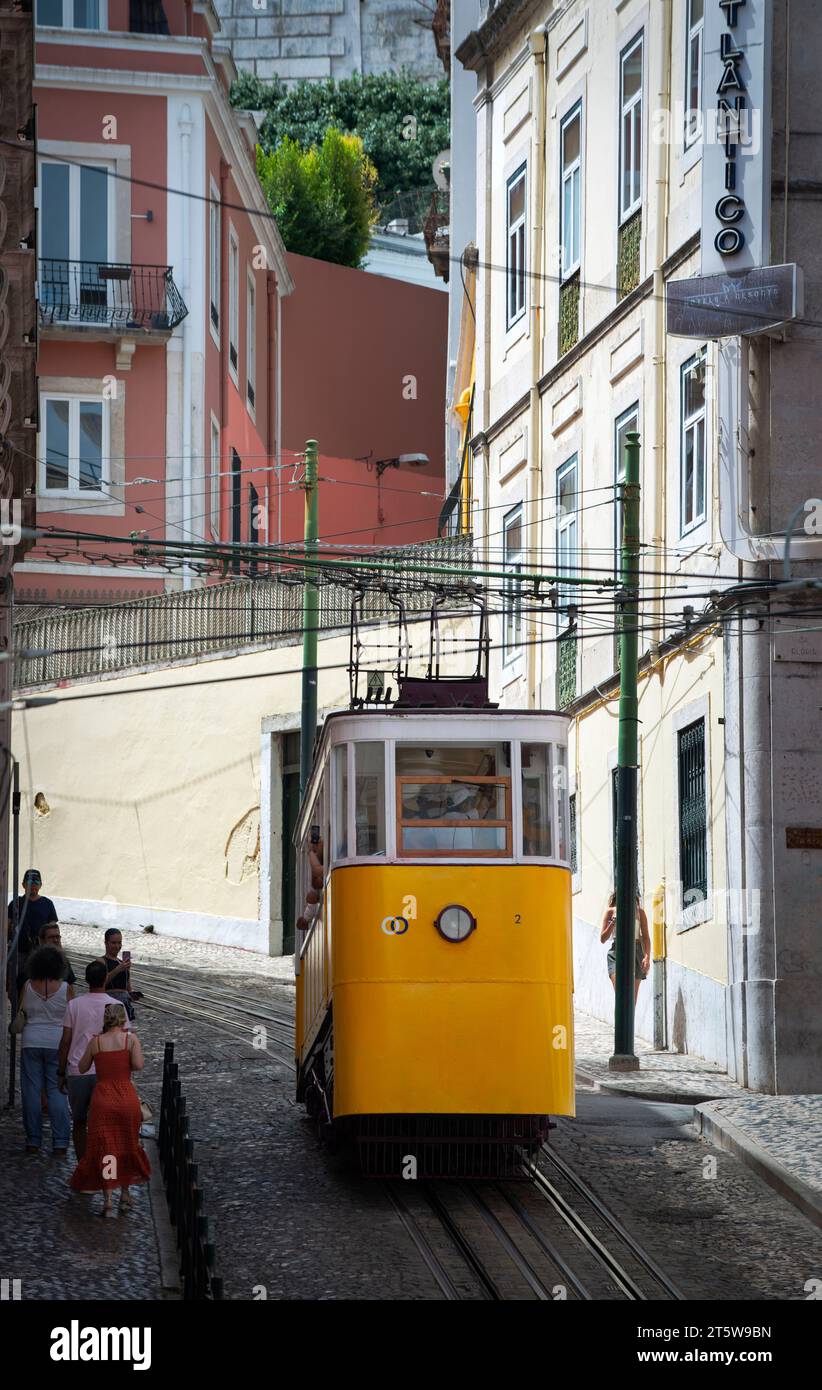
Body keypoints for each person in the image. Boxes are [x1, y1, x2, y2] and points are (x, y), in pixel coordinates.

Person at [69, 1002, 150, 1217]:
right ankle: (125, 1193)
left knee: (107, 1150)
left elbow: (82, 1067)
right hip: (126, 1099)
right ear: (123, 1019)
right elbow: (139, 1065)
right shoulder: (130, 1039)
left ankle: (108, 1200)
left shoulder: (96, 1042)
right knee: (127, 1145)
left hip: (102, 1101)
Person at [57, 960, 130, 1159]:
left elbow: (65, 1042)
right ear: (105, 978)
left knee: (79, 1122)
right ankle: (105, 1171)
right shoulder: (116, 1006)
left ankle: (84, 1166)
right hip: (106, 1073)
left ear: (87, 980)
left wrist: (61, 1072)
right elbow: (124, 1040)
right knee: (105, 1124)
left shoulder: (74, 1005)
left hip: (77, 1072)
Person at [18, 945, 72, 1155]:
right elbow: (71, 1017)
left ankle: (33, 1139)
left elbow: (21, 1012)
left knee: (31, 1091)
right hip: (57, 1042)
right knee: (57, 1090)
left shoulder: (27, 986)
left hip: (31, 1040)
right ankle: (60, 1141)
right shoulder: (66, 988)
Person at [7, 870, 58, 994]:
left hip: (41, 952)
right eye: (29, 881)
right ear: (23, 884)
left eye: (36, 881)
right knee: (15, 984)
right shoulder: (16, 903)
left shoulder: (47, 904)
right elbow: (6, 926)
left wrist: (56, 948)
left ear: (41, 885)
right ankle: (17, 1009)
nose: (33, 885)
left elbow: (53, 928)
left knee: (41, 982)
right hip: (19, 952)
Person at [600, 891, 651, 1005]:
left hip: (636, 951)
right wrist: (613, 923)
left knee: (632, 1000)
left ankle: (630, 1023)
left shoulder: (639, 912)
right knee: (620, 994)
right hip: (617, 951)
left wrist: (647, 957)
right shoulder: (610, 911)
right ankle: (620, 1022)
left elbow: (646, 937)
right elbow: (603, 938)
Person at [98, 928, 135, 1020]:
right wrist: (118, 969)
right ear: (106, 943)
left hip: (124, 1004)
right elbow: (100, 984)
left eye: (119, 943)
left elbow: (127, 986)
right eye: (113, 943)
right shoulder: (101, 961)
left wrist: (132, 994)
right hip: (110, 1005)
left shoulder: (122, 962)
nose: (117, 946)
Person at [38, 921, 77, 987]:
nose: (55, 940)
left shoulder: (64, 961)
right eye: (51, 937)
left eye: (57, 937)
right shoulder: (36, 961)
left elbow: (70, 985)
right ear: (42, 940)